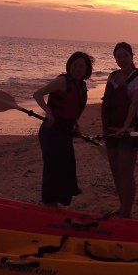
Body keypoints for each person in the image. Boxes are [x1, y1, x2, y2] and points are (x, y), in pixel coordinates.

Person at [33, 51, 94, 206]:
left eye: (81, 66)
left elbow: (72, 109)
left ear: (87, 69)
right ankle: (48, 203)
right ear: (69, 66)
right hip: (51, 130)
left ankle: (58, 202)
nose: (77, 69)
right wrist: (48, 113)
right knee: (52, 167)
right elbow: (38, 94)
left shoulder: (82, 85)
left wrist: (76, 124)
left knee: (66, 166)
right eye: (75, 65)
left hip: (66, 130)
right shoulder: (61, 81)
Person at [101, 42, 138, 218]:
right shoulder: (112, 76)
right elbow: (106, 104)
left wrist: (124, 127)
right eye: (118, 56)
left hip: (129, 132)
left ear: (131, 56)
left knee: (126, 173)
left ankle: (127, 211)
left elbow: (135, 105)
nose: (122, 59)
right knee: (115, 172)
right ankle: (122, 207)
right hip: (110, 130)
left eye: (125, 55)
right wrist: (105, 127)